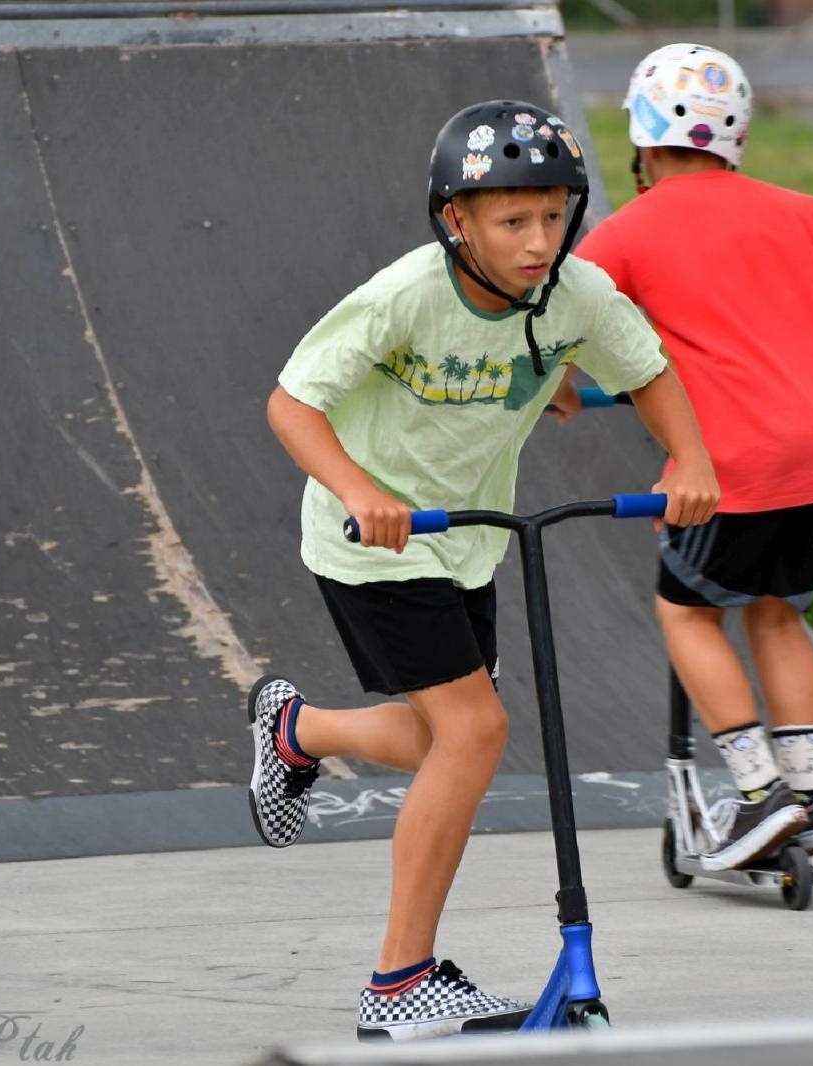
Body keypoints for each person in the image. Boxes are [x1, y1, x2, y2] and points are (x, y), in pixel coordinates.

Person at [251, 99, 719, 1042]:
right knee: (474, 732)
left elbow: (650, 372)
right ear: (456, 221)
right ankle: (399, 982)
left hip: (467, 538)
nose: (537, 239)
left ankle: (296, 731)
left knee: (447, 748)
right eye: (511, 221)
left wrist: (690, 462)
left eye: (553, 216)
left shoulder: (573, 297)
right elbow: (292, 404)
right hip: (372, 540)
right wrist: (355, 489)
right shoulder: (405, 296)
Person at [567, 44, 813, 872]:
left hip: (739, 460)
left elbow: (565, 338)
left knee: (689, 611)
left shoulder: (626, 232)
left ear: (643, 140)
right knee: (778, 610)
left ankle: (759, 797)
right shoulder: (805, 212)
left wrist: (560, 391)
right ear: (736, 134)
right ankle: (809, 796)